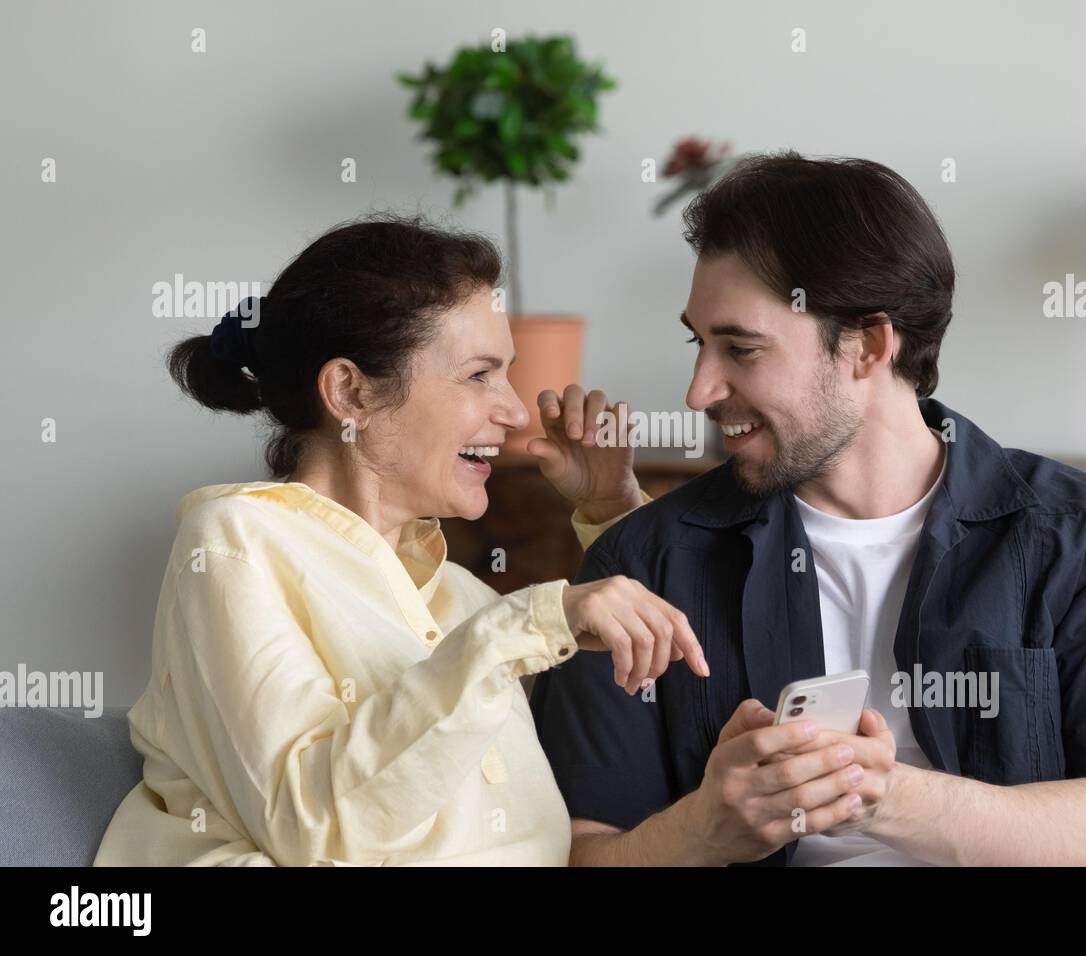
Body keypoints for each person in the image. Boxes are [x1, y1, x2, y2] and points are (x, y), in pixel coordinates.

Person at [531, 152, 1086, 867]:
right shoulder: (644, 562)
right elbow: (582, 855)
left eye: (741, 348)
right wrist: (704, 828)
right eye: (699, 343)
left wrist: (880, 795)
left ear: (868, 344)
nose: (699, 390)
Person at [93, 215, 706, 867]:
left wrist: (612, 514)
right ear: (350, 392)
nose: (516, 410)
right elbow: (318, 829)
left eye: (507, 374)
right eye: (478, 375)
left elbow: (662, 712)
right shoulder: (233, 544)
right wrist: (524, 624)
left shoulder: (460, 597)